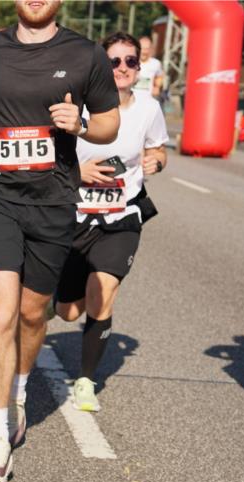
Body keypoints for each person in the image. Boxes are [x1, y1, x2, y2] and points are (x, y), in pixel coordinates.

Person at [0, 0, 119, 482]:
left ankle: (21, 393)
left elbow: (109, 122)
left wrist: (82, 124)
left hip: (52, 199)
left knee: (33, 314)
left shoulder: (86, 53)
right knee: (0, 313)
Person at [53, 33, 168, 413]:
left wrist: (157, 161)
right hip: (75, 214)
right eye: (114, 61)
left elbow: (157, 147)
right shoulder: (77, 105)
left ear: (140, 67)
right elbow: (50, 154)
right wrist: (78, 171)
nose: (122, 68)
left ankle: (86, 380)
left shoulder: (149, 108)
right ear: (100, 65)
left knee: (103, 289)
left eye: (130, 61)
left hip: (122, 214)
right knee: (67, 311)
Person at [135, 35, 163, 99]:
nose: (144, 52)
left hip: (148, 98)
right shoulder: (131, 62)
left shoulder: (156, 63)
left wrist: (157, 87)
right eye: (142, 48)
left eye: (146, 49)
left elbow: (160, 76)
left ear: (151, 49)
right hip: (131, 98)